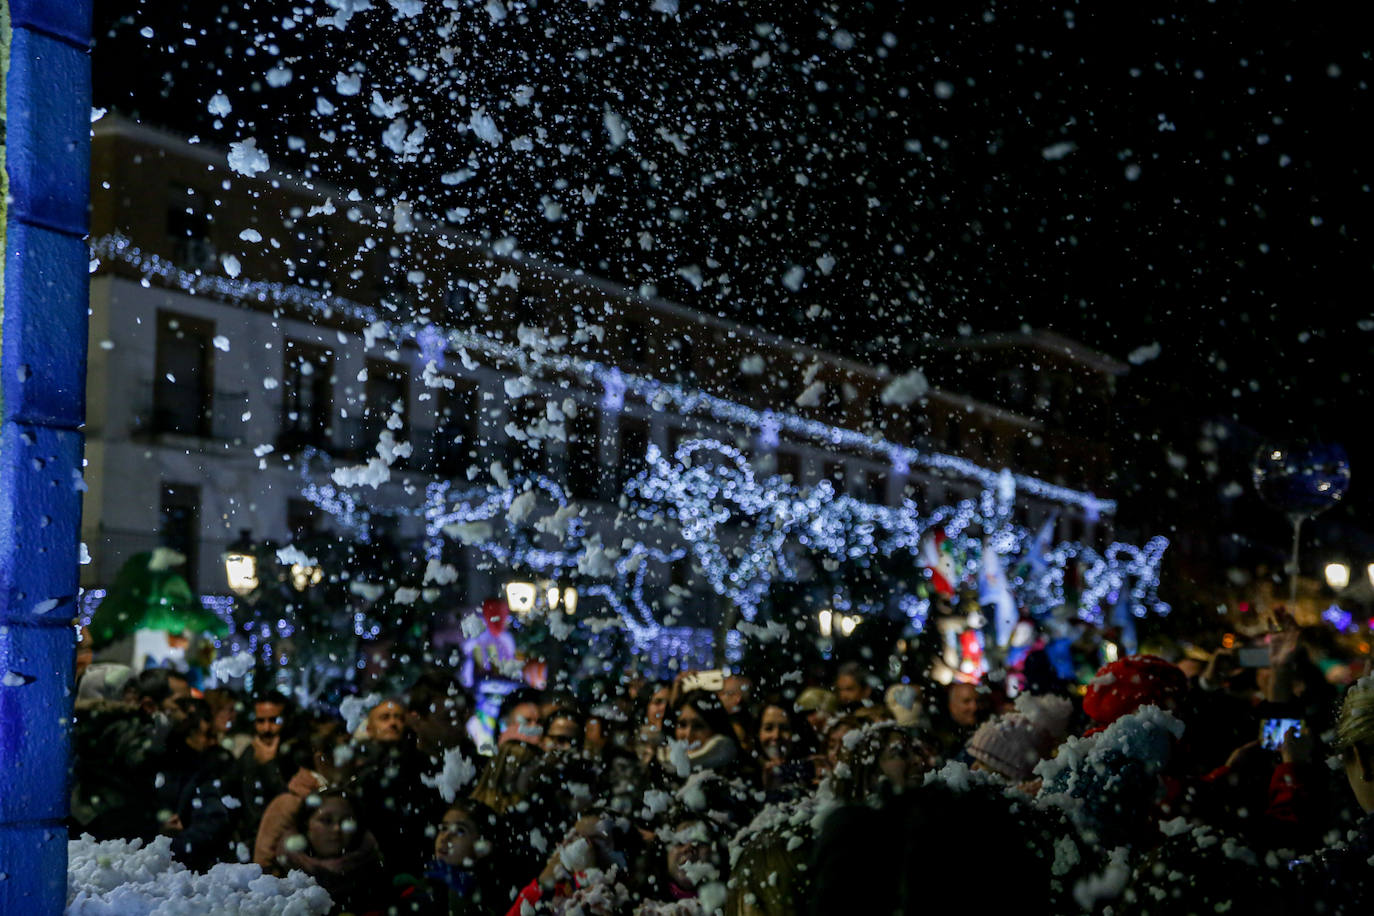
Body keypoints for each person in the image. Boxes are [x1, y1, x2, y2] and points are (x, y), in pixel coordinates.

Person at [280, 790, 390, 916]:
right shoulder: (279, 879)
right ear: (306, 825)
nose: (337, 829)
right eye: (326, 820)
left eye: (347, 821)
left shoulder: (377, 875)